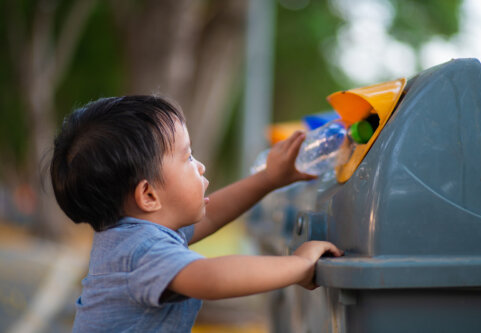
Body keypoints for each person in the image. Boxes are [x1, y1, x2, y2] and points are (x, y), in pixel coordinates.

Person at [50, 95, 343, 332]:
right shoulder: (139, 251)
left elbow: (212, 214)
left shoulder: (135, 234)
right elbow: (212, 278)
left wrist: (269, 179)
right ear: (149, 195)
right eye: (187, 157)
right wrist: (298, 264)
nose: (200, 166)